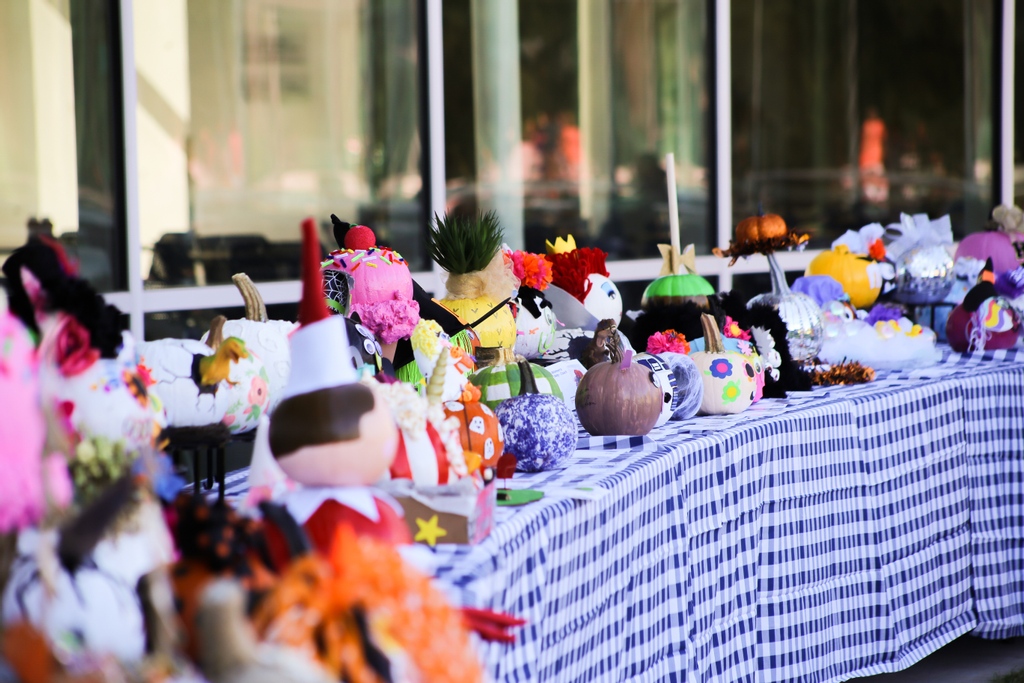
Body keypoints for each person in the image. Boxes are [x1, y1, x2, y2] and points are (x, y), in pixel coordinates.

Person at [859, 106, 889, 204]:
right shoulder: (866, 125)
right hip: (867, 160)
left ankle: (878, 204)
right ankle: (871, 204)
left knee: (879, 184)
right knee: (869, 185)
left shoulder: (879, 125)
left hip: (876, 158)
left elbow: (884, 141)